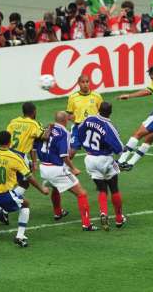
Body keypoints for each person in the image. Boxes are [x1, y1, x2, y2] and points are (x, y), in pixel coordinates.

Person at [0, 131, 49, 248]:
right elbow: (29, 177)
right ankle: (20, 236)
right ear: (10, 142)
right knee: (26, 204)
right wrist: (41, 189)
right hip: (4, 194)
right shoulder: (15, 157)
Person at [35, 111, 98, 231]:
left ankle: (58, 212)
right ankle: (86, 224)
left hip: (44, 167)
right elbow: (64, 155)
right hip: (56, 169)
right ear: (65, 120)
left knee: (55, 187)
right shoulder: (64, 133)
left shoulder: (46, 128)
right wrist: (73, 168)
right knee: (82, 193)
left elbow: (35, 145)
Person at [77, 102, 126, 230]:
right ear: (110, 112)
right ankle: (119, 219)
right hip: (104, 159)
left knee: (101, 189)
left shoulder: (88, 119)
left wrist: (85, 144)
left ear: (98, 109)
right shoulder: (109, 126)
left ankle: (103, 212)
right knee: (114, 188)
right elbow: (119, 148)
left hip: (90, 159)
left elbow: (79, 130)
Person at [0, 102, 49, 224]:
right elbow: (45, 136)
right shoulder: (34, 124)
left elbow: (8, 137)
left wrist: (33, 161)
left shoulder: (13, 121)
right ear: (34, 112)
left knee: (8, 183)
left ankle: (1, 211)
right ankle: (2, 208)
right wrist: (50, 128)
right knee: (25, 183)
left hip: (7, 153)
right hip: (19, 157)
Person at [66, 74, 103, 159]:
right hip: (78, 127)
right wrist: (72, 118)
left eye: (87, 82)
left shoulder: (97, 96)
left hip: (93, 128)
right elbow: (69, 113)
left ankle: (94, 171)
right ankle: (65, 170)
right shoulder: (73, 97)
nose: (85, 84)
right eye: (83, 82)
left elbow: (102, 112)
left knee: (93, 153)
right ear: (78, 83)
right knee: (71, 152)